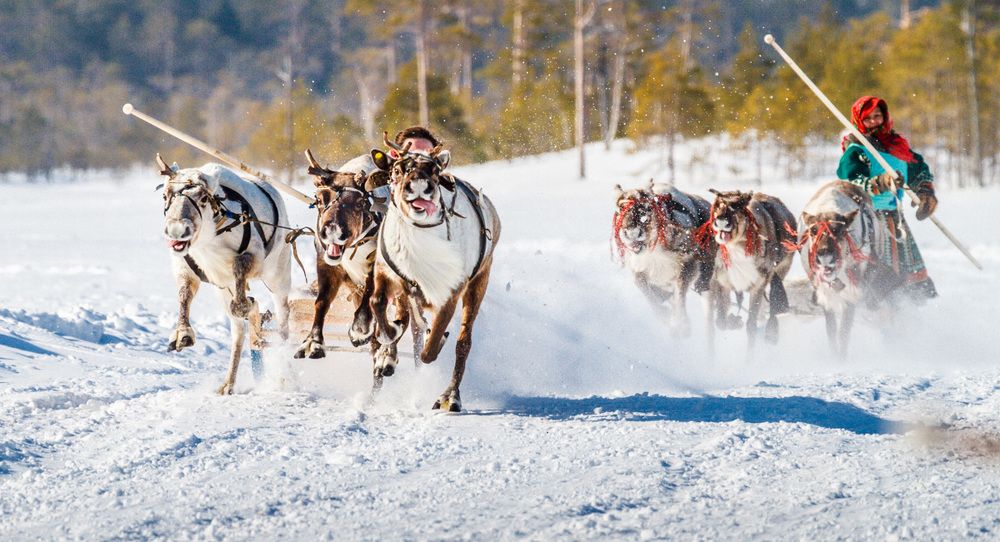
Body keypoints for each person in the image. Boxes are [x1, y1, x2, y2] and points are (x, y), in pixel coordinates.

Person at [836, 95, 938, 299]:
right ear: (858, 121)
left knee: (906, 276)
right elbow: (851, 180)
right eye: (867, 119)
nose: (874, 122)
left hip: (895, 218)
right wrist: (879, 183)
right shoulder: (857, 149)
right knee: (877, 276)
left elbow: (918, 168)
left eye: (878, 116)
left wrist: (925, 192)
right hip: (868, 220)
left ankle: (908, 316)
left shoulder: (897, 145)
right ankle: (876, 315)